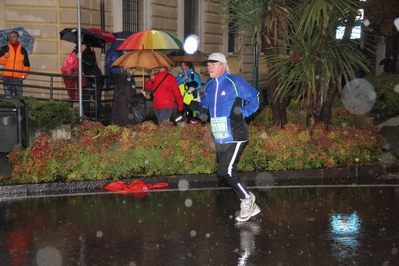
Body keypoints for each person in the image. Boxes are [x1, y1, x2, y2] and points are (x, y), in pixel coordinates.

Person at [189, 53, 261, 222]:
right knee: (228, 172)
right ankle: (251, 204)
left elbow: (256, 99)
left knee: (224, 171)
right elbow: (206, 107)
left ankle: (247, 199)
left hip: (236, 134)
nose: (210, 67)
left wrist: (241, 113)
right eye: (208, 64)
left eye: (213, 64)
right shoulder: (209, 85)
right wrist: (197, 107)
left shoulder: (235, 81)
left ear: (223, 65)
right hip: (219, 135)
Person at [0, 31, 30, 96]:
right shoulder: (4, 48)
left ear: (18, 38)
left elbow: (26, 65)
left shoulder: (23, 50)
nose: (11, 38)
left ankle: (18, 106)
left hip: (18, 79)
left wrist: (23, 76)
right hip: (7, 78)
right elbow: (0, 62)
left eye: (14, 37)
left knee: (18, 98)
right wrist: (5, 57)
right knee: (8, 98)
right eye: (10, 37)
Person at [81, 44, 104, 120]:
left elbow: (90, 64)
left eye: (81, 45)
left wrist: (81, 59)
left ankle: (91, 116)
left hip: (95, 80)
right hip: (93, 79)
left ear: (85, 46)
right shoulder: (86, 53)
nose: (80, 47)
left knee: (89, 98)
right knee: (90, 98)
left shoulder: (88, 53)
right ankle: (92, 116)